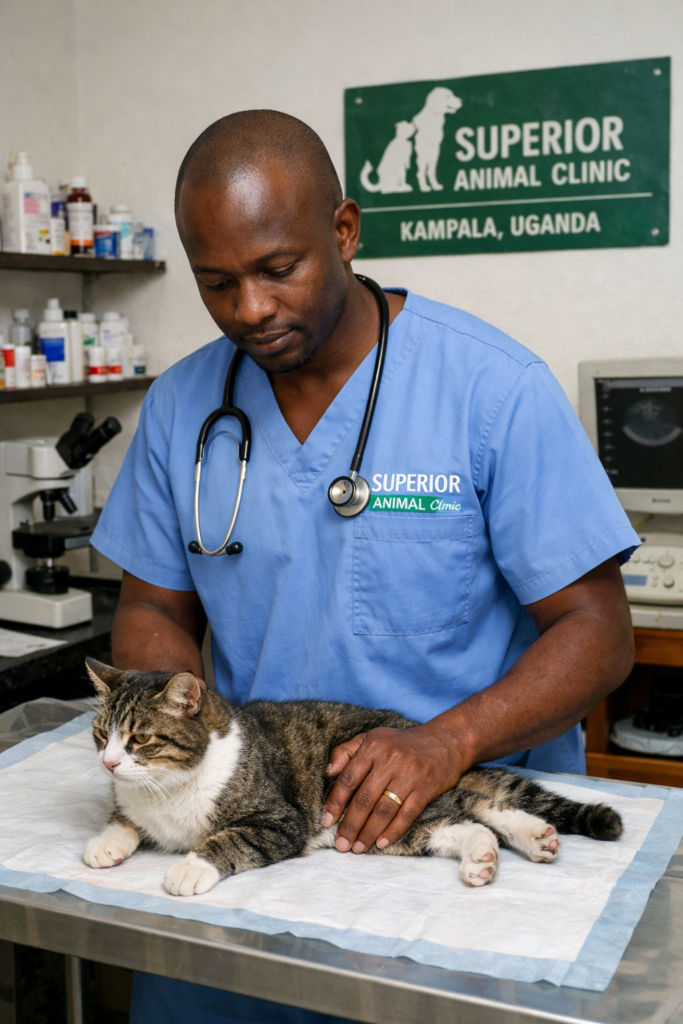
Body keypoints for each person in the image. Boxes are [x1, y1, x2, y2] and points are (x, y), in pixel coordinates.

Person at [92, 109, 639, 1024]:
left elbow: (597, 634)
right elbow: (154, 608)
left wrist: (445, 742)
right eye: (217, 282)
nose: (250, 310)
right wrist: (184, 759)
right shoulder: (186, 402)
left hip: (460, 841)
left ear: (343, 232)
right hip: (257, 834)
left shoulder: (489, 390)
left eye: (277, 270)